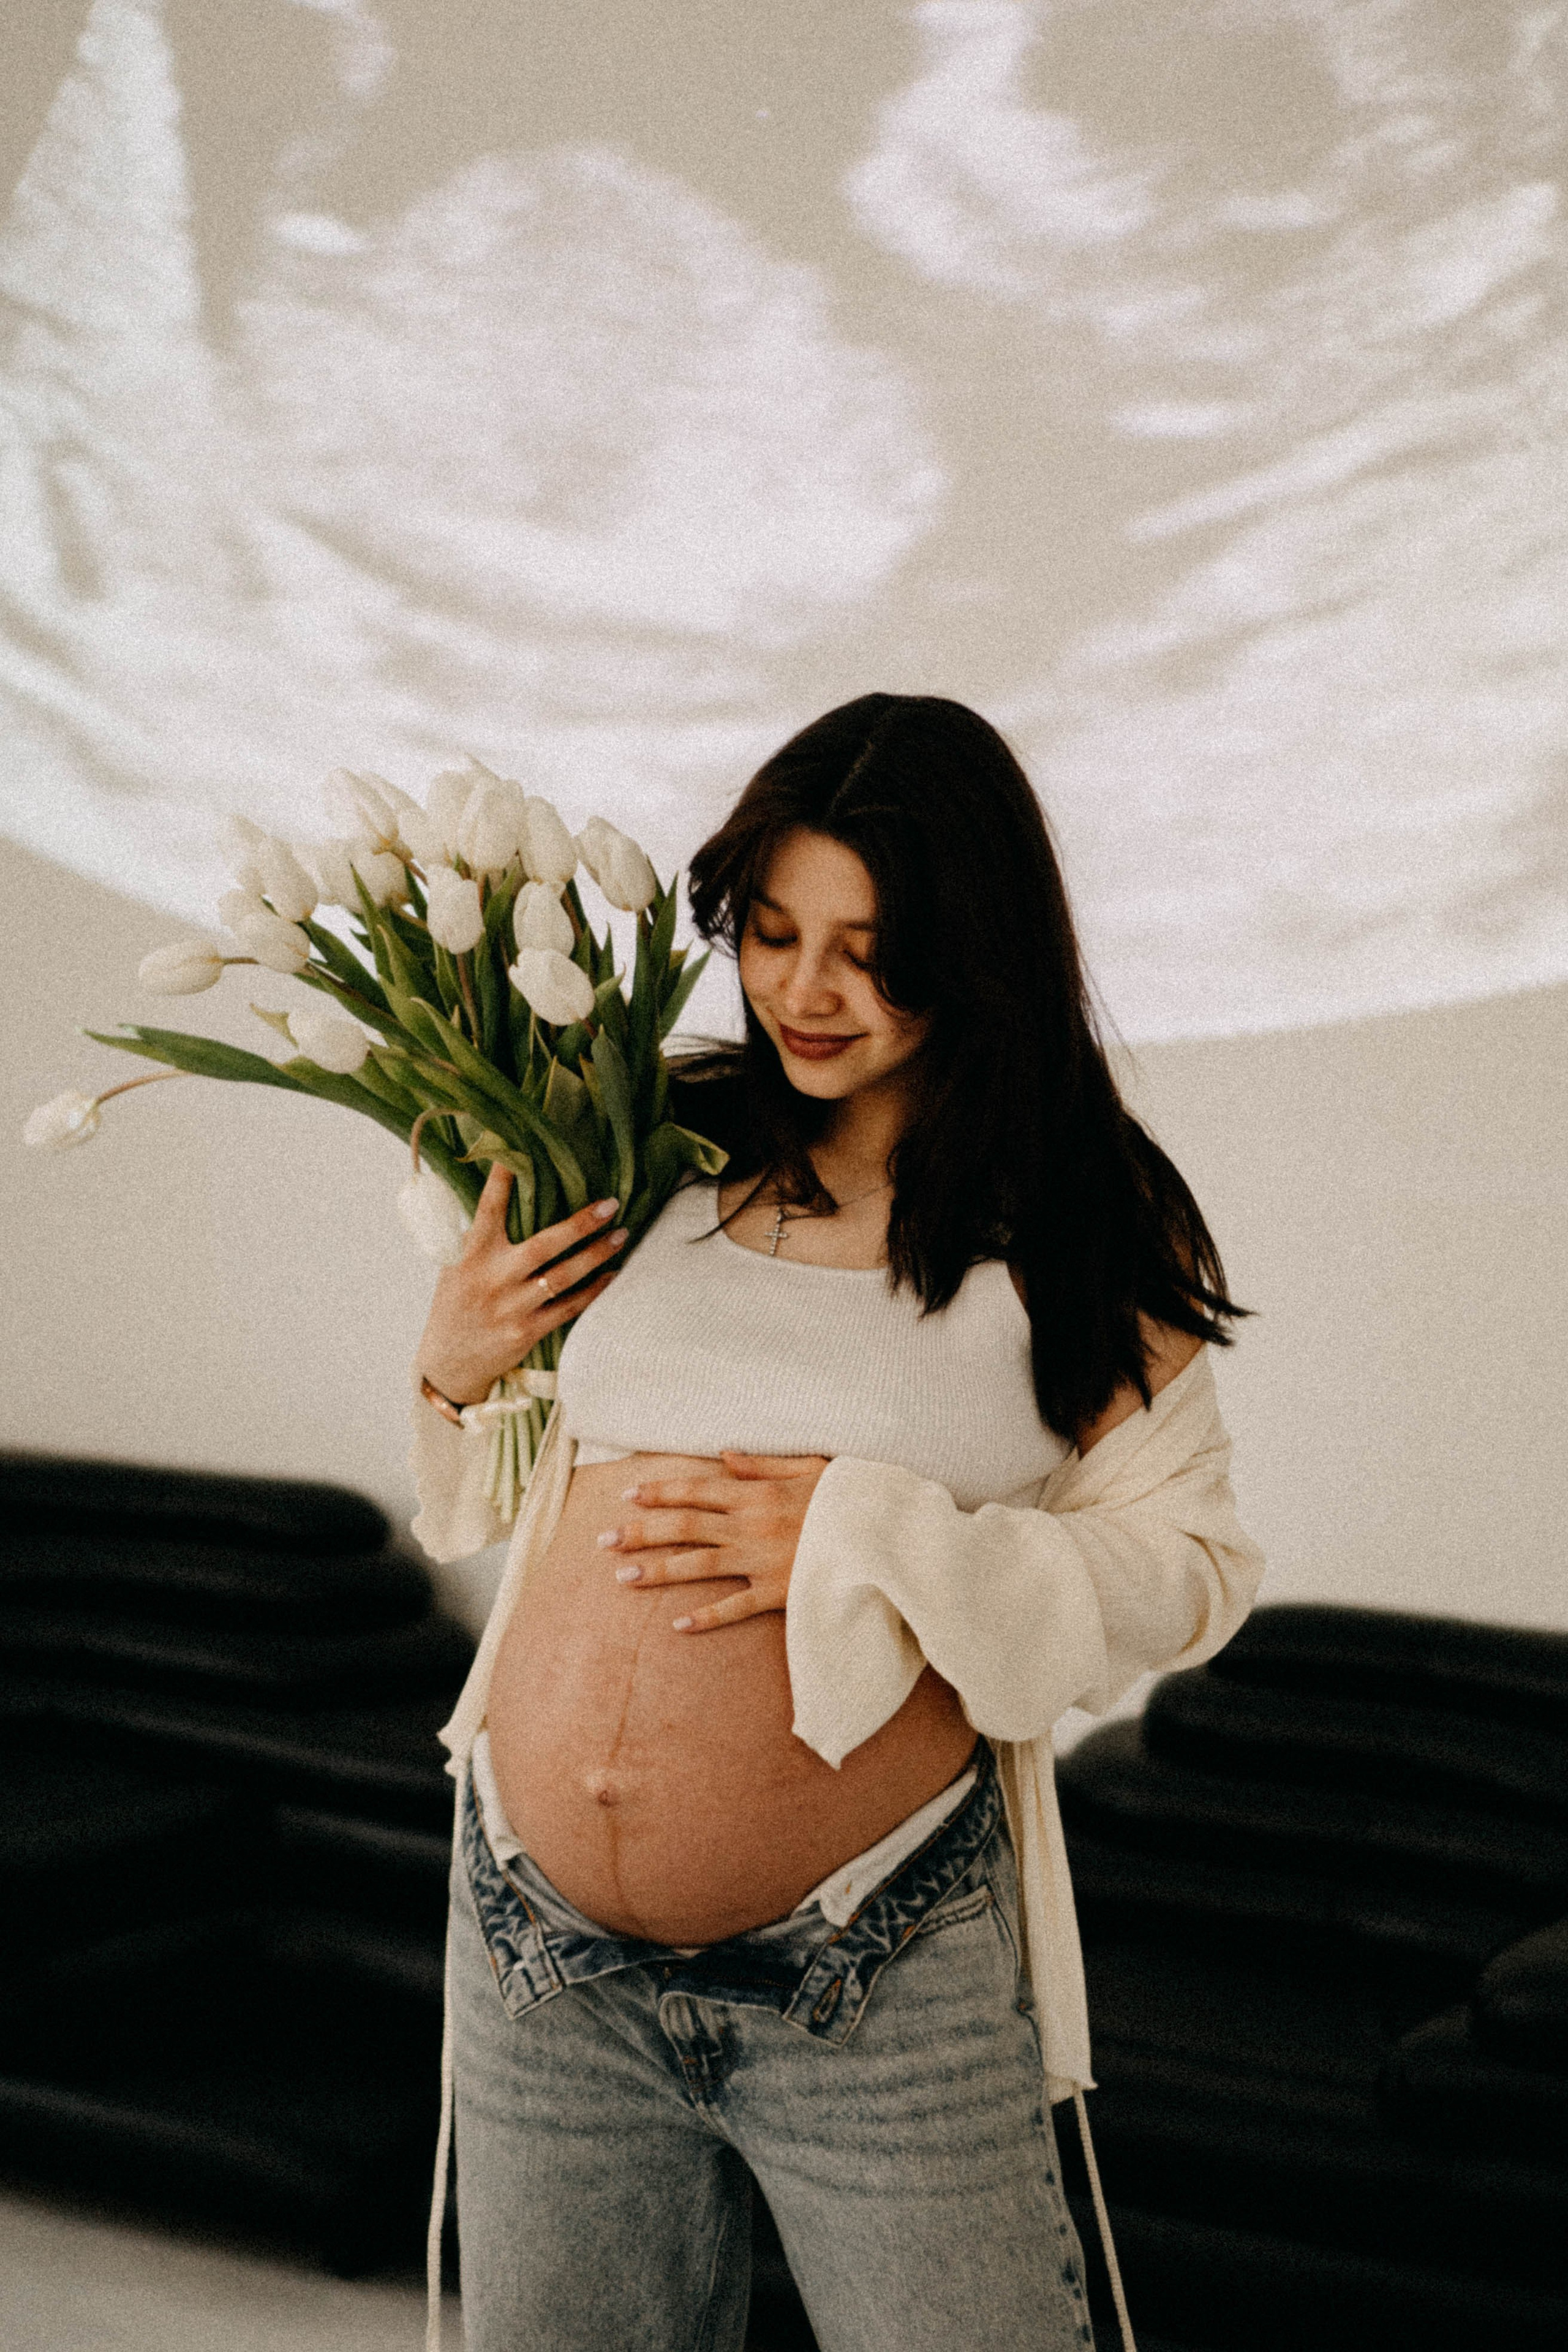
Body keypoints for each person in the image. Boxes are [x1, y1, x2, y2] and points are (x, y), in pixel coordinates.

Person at [411, 693, 1265, 2352]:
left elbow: (1193, 1570)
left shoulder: (1077, 1218)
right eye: (775, 933)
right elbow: (516, 1488)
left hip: (870, 1962)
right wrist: (454, 1372)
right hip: (536, 1948)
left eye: (872, 954)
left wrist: (869, 1531)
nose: (806, 992)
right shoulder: (651, 1140)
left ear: (980, 953)